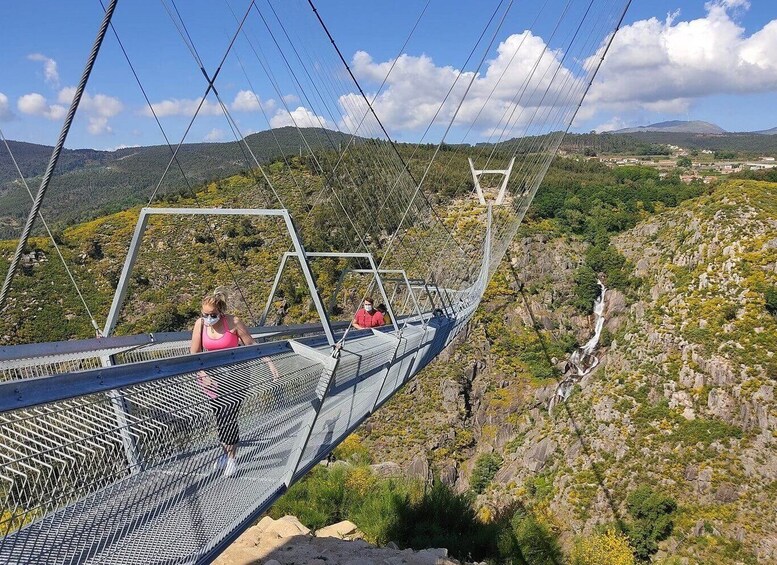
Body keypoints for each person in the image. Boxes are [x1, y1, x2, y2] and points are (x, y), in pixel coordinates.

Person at [191, 287, 255, 477]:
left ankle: (232, 458)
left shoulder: (233, 322)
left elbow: (251, 346)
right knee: (220, 417)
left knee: (229, 416)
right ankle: (225, 455)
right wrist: (203, 374)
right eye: (205, 314)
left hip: (236, 377)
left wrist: (270, 364)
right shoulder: (200, 325)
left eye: (212, 314)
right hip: (211, 380)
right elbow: (194, 355)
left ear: (221, 311)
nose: (208, 318)